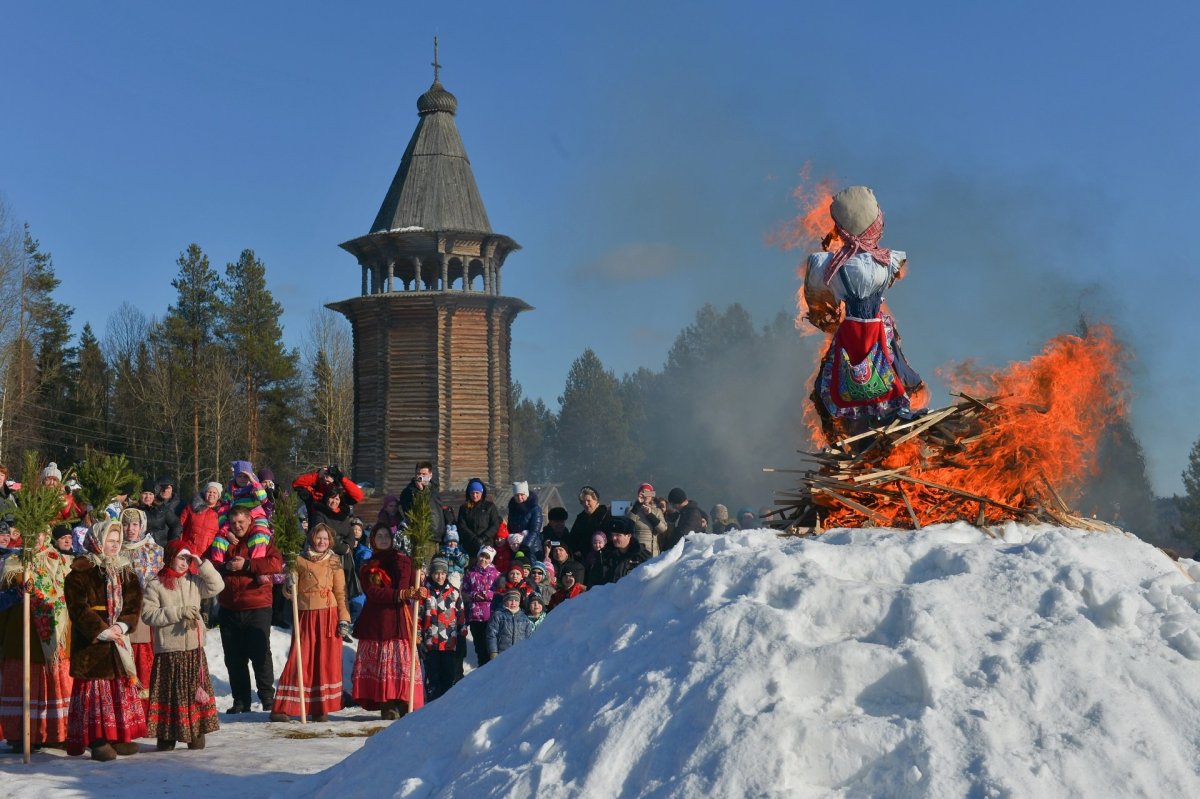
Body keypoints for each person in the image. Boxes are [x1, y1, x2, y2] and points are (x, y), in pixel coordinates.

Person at [805, 185, 923, 441]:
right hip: (878, 328)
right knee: (891, 369)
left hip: (850, 330)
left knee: (837, 377)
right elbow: (891, 278)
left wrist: (827, 317)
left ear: (841, 226)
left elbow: (819, 307)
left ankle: (854, 430)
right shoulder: (888, 260)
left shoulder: (827, 264)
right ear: (876, 222)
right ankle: (890, 419)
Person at [64, 520, 146, 760]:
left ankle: (119, 736)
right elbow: (78, 608)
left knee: (118, 690)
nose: (115, 545)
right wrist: (102, 630)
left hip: (118, 639)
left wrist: (122, 625)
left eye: (117, 541)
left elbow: (134, 602)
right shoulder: (80, 572)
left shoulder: (124, 570)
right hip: (93, 644)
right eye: (110, 541)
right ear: (97, 541)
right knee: (97, 693)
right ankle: (98, 739)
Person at [141, 539, 223, 750]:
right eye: (181, 558)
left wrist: (201, 563)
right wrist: (178, 613)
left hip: (193, 650)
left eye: (188, 559)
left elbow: (217, 585)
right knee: (170, 694)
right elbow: (148, 615)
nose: (185, 562)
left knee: (193, 693)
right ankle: (167, 736)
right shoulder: (156, 584)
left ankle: (195, 731)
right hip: (169, 651)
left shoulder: (194, 581)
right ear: (170, 557)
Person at [0, 526, 73, 750]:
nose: (36, 537)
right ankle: (21, 733)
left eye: (40, 532)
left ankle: (55, 731)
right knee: (23, 674)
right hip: (22, 630)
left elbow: (66, 589)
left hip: (54, 630)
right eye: (32, 532)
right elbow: (7, 587)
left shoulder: (58, 560)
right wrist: (21, 583)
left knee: (53, 675)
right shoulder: (14, 559)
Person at [270, 524, 350, 723]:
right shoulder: (298, 560)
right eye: (318, 538)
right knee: (301, 658)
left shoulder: (334, 561)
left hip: (328, 614)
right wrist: (289, 585)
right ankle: (283, 707)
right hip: (306, 615)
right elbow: (288, 593)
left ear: (329, 541)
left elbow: (340, 592)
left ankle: (320, 707)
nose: (322, 542)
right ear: (312, 538)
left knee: (324, 661)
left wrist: (344, 618)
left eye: (325, 538)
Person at [211, 506, 283, 714]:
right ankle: (241, 700)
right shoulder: (222, 541)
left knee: (260, 654)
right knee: (234, 657)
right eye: (234, 523)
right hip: (229, 606)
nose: (238, 526)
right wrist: (226, 567)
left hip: (257, 605)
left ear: (249, 521)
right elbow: (210, 566)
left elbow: (276, 563)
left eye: (241, 522)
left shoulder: (262, 538)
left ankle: (267, 698)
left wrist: (248, 565)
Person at [351, 523, 426, 720]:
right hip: (378, 621)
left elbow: (412, 585)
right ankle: (388, 703)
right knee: (383, 664)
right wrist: (401, 594)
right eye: (379, 536)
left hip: (401, 619)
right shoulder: (369, 565)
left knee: (402, 663)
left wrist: (420, 590)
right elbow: (374, 592)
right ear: (373, 540)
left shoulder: (404, 561)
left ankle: (404, 700)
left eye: (386, 535)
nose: (383, 539)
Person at [120, 507, 163, 712]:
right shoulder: (114, 548)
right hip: (118, 615)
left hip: (144, 614)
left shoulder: (152, 551)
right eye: (126, 524)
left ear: (142, 526)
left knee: (143, 659)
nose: (130, 529)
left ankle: (146, 711)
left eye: (135, 524)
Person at [417, 558, 464, 702]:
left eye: (443, 573)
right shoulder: (425, 594)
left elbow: (461, 617)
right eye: (436, 573)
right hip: (430, 644)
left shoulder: (454, 593)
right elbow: (418, 617)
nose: (440, 576)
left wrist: (462, 638)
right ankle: (432, 704)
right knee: (433, 678)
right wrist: (419, 639)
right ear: (431, 574)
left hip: (449, 644)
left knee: (449, 677)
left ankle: (447, 707)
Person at [462, 546, 498, 667]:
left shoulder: (496, 575)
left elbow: (499, 592)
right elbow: (464, 592)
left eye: (487, 557)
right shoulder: (470, 574)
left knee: (490, 646)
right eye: (482, 556)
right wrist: (475, 595)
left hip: (490, 616)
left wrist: (486, 594)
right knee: (479, 648)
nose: (483, 559)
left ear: (491, 559)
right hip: (475, 616)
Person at [398, 461, 452, 541]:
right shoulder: (408, 492)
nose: (420, 477)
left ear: (430, 475)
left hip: (437, 537)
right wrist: (420, 491)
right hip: (420, 537)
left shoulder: (434, 490)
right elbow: (410, 513)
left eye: (424, 474)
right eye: (418, 474)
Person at [292, 465, 364, 516]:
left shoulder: (340, 494)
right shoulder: (314, 491)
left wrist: (341, 478)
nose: (327, 478)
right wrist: (318, 475)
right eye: (325, 474)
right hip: (317, 530)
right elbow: (296, 483)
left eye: (331, 475)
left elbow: (358, 496)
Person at [456, 478, 501, 559]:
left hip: (486, 544)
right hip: (470, 545)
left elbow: (495, 524)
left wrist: (483, 537)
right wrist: (473, 538)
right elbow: (462, 526)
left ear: (482, 493)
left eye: (477, 493)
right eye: (472, 493)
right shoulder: (464, 508)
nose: (475, 495)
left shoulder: (490, 506)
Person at [600, 516, 652, 585]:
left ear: (629, 535)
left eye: (618, 535)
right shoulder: (605, 555)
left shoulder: (642, 556)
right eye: (612, 535)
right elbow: (596, 581)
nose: (614, 538)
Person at [179, 482, 223, 556]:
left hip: (208, 552)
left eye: (214, 492)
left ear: (218, 496)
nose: (211, 494)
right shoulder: (192, 507)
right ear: (204, 493)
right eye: (209, 492)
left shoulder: (222, 512)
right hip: (188, 549)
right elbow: (180, 527)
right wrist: (179, 545)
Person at [486, 589, 532, 659]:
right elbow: (491, 634)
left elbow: (528, 637)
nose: (513, 603)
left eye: (516, 600)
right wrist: (493, 651)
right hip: (502, 653)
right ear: (505, 601)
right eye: (510, 600)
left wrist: (527, 651)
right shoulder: (498, 615)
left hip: (519, 654)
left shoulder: (524, 618)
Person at [566, 486, 609, 561]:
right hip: (583, 559)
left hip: (602, 557)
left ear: (596, 500)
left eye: (588, 500)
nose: (586, 504)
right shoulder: (581, 518)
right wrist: (576, 550)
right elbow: (573, 538)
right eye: (583, 502)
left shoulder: (606, 516)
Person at [627, 483, 668, 557]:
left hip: (653, 552)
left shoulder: (657, 511)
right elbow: (628, 525)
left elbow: (663, 529)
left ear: (652, 495)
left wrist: (650, 515)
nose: (646, 495)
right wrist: (637, 505)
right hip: (638, 551)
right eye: (643, 492)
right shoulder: (632, 509)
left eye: (648, 493)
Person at [507, 481, 543, 563]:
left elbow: (535, 530)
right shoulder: (512, 509)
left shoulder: (535, 509)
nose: (519, 497)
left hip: (532, 547)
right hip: (515, 546)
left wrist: (526, 545)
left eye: (522, 495)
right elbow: (510, 527)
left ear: (526, 494)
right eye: (517, 495)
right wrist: (511, 539)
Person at [142, 477, 182, 547]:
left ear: (154, 495)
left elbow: (176, 525)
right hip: (140, 547)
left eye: (150, 494)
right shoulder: (134, 509)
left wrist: (172, 543)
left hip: (160, 548)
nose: (147, 497)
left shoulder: (162, 509)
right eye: (145, 493)